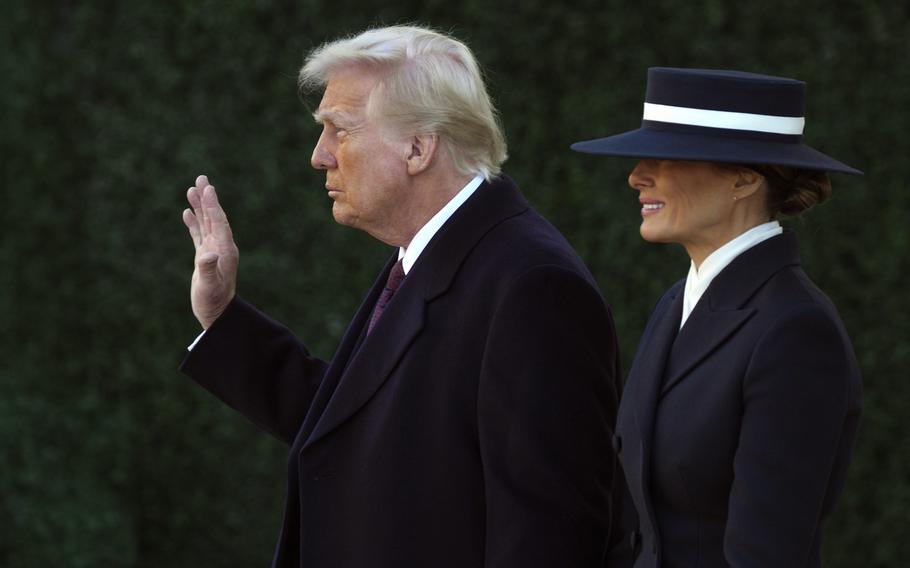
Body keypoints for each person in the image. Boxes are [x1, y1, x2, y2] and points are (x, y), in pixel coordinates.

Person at [180, 26, 626, 568]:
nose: (319, 156)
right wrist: (222, 316)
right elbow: (363, 427)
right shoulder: (430, 252)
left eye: (338, 130)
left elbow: (550, 533)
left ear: (417, 147)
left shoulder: (532, 285)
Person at [571, 67, 863, 567]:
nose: (637, 176)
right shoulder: (676, 304)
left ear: (744, 178)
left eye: (666, 157)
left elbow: (767, 553)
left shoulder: (794, 329)